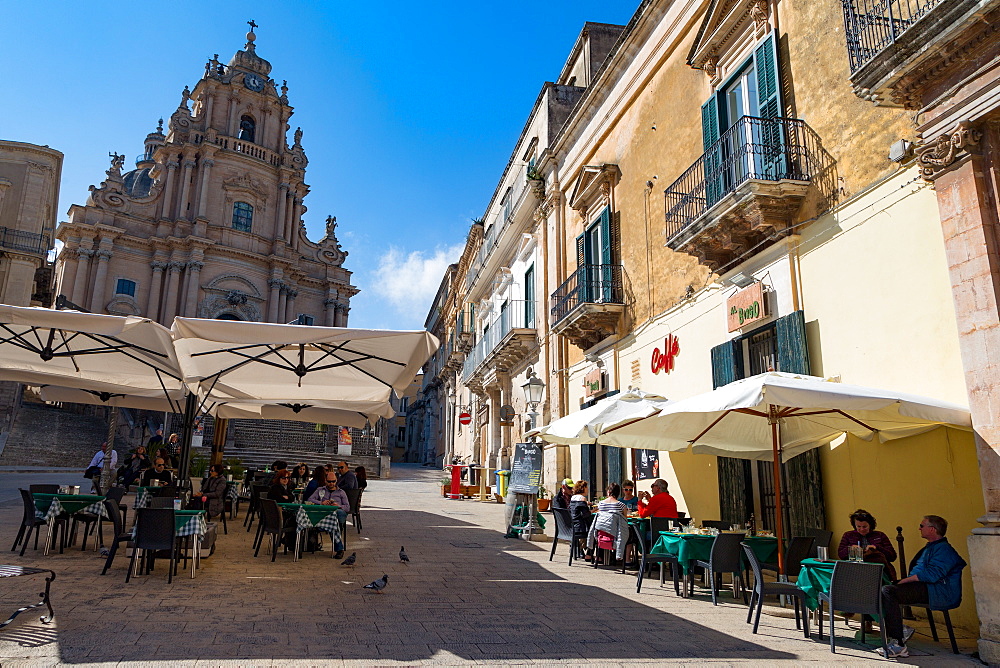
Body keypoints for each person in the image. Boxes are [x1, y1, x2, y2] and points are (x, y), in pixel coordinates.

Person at [877, 515, 967, 658]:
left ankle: (899, 644)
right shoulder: (931, 547)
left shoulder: (944, 549)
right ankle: (900, 629)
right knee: (879, 587)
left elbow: (931, 575)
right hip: (923, 587)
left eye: (922, 525)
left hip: (936, 590)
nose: (919, 528)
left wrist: (905, 581)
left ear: (932, 529)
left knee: (888, 591)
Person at [838, 509, 898, 581]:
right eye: (858, 527)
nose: (862, 529)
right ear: (854, 525)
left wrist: (877, 548)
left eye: (865, 527)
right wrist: (850, 549)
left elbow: (892, 556)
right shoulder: (848, 535)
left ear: (870, 525)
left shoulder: (880, 535)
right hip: (856, 570)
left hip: (878, 570)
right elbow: (841, 555)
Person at [305, 474, 347, 558]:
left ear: (336, 481)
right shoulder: (320, 490)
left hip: (336, 514)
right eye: (329, 481)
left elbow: (347, 507)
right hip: (323, 514)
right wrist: (321, 503)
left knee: (334, 519)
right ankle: (339, 549)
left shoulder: (341, 492)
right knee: (333, 524)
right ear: (325, 481)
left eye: (333, 481)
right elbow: (310, 499)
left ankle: (338, 548)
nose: (331, 483)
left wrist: (338, 505)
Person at [569, 480, 595, 560]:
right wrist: (594, 510)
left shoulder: (573, 498)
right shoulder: (582, 498)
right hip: (581, 527)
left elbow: (577, 509)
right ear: (583, 488)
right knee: (595, 532)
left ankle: (580, 550)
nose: (587, 489)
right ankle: (589, 554)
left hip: (573, 525)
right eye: (586, 487)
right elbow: (585, 514)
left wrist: (586, 503)